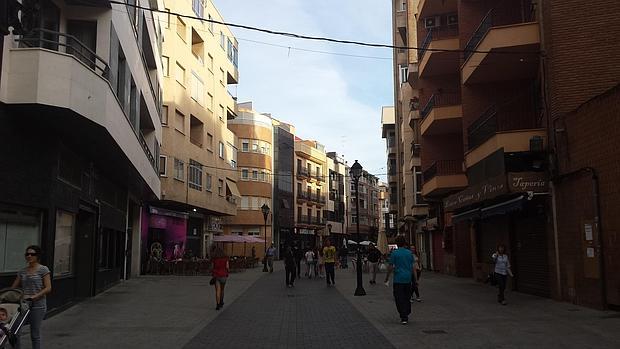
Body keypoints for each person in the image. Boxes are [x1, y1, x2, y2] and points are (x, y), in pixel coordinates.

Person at [11, 245, 52, 349]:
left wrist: (35, 296)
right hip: (24, 304)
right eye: (27, 254)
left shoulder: (43, 269)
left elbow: (48, 288)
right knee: (15, 331)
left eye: (32, 254)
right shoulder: (22, 271)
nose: (29, 256)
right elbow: (13, 288)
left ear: (37, 256)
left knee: (35, 334)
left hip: (38, 305)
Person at [384, 236, 413, 325]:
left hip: (398, 279)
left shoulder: (395, 254)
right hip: (408, 279)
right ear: (404, 243)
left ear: (397, 243)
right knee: (407, 297)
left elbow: (390, 266)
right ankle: (407, 311)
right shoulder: (409, 253)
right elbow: (412, 266)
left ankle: (403, 315)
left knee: (399, 298)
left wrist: (387, 277)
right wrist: (415, 279)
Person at [211, 246, 229, 310]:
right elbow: (227, 267)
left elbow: (212, 267)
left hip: (216, 276)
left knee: (217, 290)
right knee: (222, 290)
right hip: (224, 275)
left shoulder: (214, 259)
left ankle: (217, 305)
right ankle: (221, 302)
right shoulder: (225, 258)